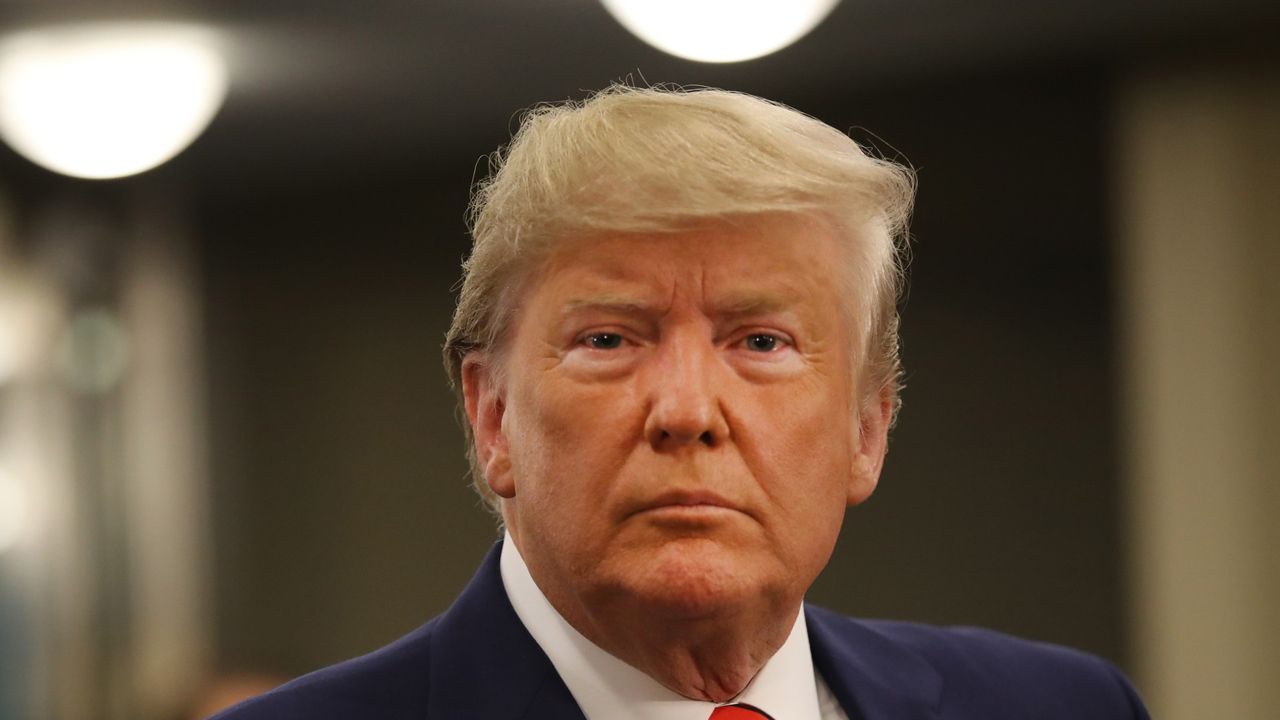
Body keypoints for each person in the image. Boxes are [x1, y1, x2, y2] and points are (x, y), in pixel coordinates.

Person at [212, 85, 1149, 719]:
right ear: (492, 417)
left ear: (868, 430)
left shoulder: (1061, 705)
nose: (687, 410)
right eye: (610, 340)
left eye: (762, 343)